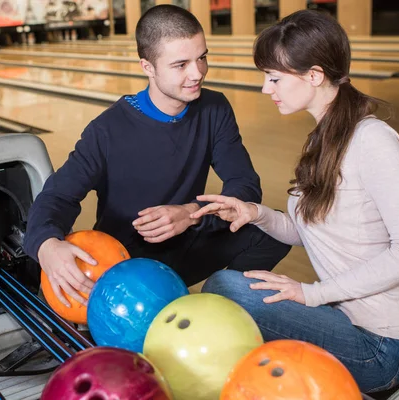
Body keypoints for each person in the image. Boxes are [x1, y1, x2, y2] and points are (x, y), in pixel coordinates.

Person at [191, 10, 399, 399]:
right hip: (345, 319)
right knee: (229, 288)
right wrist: (256, 213)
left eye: (274, 77)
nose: (265, 88)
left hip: (381, 347)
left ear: (314, 75)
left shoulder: (371, 141)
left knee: (226, 288)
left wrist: (311, 294)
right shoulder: (323, 138)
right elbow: (310, 231)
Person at [23, 5, 291, 308]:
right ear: (147, 67)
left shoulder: (214, 108)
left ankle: (224, 306)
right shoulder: (107, 130)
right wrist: (46, 244)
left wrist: (190, 214)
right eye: (181, 65)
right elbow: (58, 196)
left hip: (186, 241)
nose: (197, 73)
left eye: (202, 57)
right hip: (126, 260)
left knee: (270, 229)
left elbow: (244, 186)